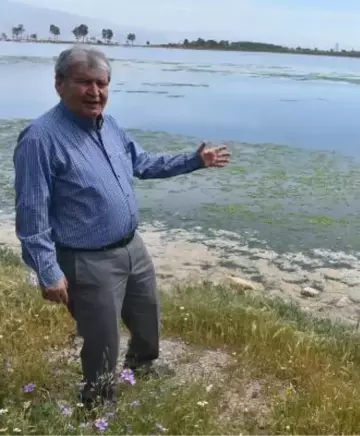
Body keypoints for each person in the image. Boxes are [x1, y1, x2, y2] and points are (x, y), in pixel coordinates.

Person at [12, 45, 231, 408]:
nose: (95, 92)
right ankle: (98, 404)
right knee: (102, 339)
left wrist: (194, 161)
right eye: (84, 82)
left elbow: (142, 163)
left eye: (102, 83)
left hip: (132, 247)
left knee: (147, 316)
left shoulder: (109, 125)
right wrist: (47, 271)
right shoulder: (40, 139)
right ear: (59, 84)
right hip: (87, 260)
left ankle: (142, 366)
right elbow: (31, 214)